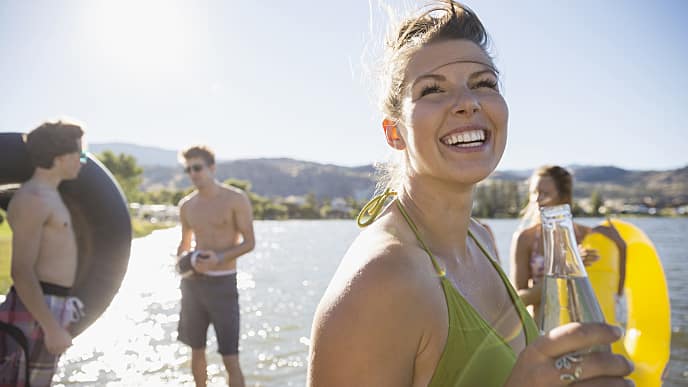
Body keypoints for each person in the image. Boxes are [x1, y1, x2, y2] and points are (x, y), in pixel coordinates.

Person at [307, 2, 633, 386]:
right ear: (394, 133)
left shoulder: (482, 239)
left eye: (484, 83)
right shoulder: (380, 281)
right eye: (432, 90)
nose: (467, 102)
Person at [0, 120, 86, 386]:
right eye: (80, 155)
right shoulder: (34, 198)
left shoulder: (50, 195)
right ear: (60, 158)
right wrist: (50, 326)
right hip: (36, 310)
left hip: (49, 306)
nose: (83, 162)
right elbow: (22, 270)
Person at [176, 145, 255, 387]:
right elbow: (184, 245)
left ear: (212, 167)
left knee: (230, 357)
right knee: (196, 350)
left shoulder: (235, 199)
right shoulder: (187, 206)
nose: (193, 173)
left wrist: (218, 259)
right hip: (192, 286)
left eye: (197, 167)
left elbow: (249, 243)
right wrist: (187, 263)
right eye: (189, 169)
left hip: (223, 285)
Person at [510, 165, 626, 321]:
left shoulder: (586, 236)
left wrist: (620, 245)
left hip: (582, 328)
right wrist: (568, 267)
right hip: (544, 329)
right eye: (534, 193)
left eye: (545, 193)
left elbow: (615, 291)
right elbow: (519, 300)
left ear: (563, 197)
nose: (537, 200)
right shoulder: (525, 238)